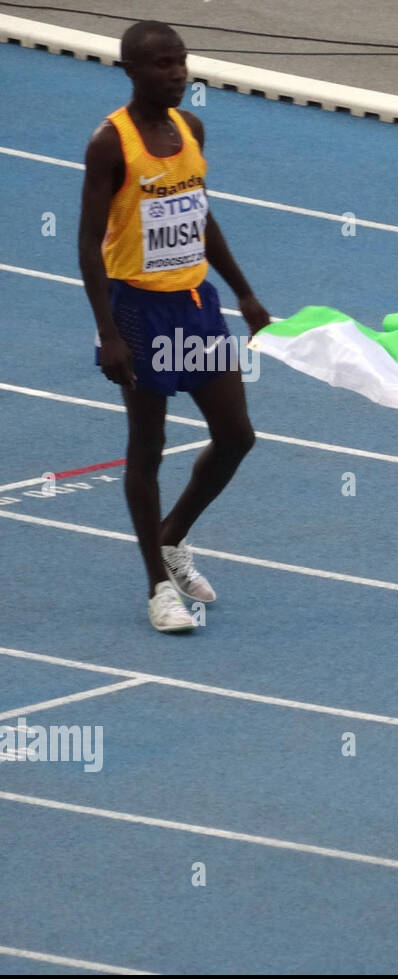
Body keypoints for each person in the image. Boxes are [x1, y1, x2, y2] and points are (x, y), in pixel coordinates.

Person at [78, 20, 269, 633]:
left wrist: (242, 291)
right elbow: (87, 242)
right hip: (138, 309)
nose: (178, 74)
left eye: (181, 62)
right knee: (148, 448)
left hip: (196, 306)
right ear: (132, 71)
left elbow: (200, 216)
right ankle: (158, 588)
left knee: (237, 434)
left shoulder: (192, 129)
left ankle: (172, 537)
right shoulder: (112, 144)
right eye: (162, 65)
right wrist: (108, 331)